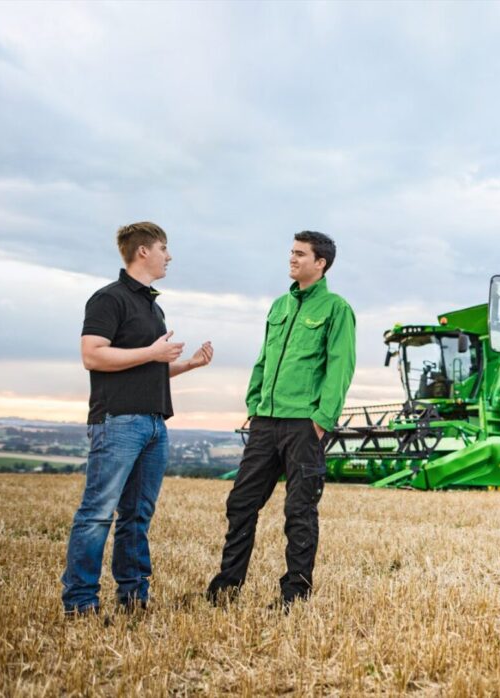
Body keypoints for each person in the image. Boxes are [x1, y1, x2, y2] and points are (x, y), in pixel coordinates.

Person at [62, 221, 214, 616]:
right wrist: (151, 353)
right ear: (143, 251)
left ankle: (133, 598)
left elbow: (149, 367)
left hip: (153, 424)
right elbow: (92, 355)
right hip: (118, 422)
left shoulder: (153, 305)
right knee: (97, 514)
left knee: (137, 516)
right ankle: (80, 603)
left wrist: (188, 364)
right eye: (164, 248)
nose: (170, 256)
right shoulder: (108, 299)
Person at [207, 230, 355, 611]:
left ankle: (294, 596)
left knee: (299, 511)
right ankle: (226, 587)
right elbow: (263, 359)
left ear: (320, 263)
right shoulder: (278, 307)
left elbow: (340, 368)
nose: (292, 259)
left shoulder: (336, 309)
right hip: (265, 422)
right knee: (241, 503)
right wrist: (254, 402)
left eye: (300, 254)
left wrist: (321, 420)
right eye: (291, 252)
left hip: (303, 425)